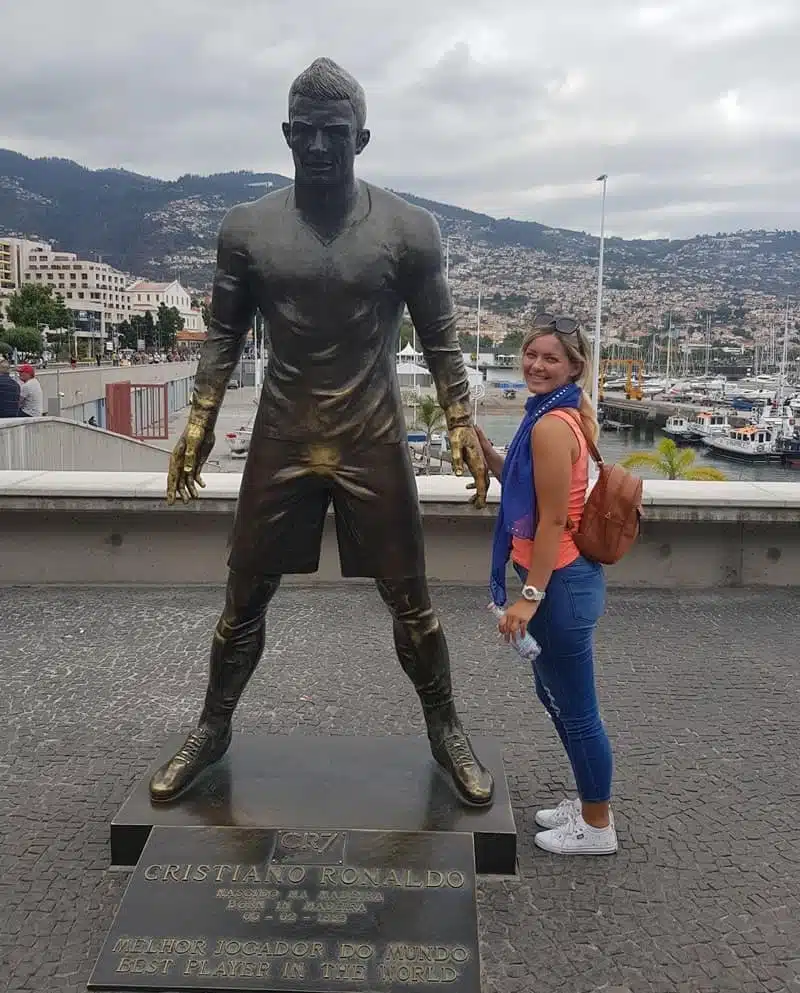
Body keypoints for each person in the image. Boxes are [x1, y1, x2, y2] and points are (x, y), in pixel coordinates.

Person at [148, 57, 493, 809]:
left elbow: (441, 340)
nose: (317, 147)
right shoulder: (247, 229)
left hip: (372, 435)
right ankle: (213, 724)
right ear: (285, 133)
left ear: (361, 138)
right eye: (304, 132)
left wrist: (462, 419)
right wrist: (200, 419)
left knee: (412, 600)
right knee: (243, 597)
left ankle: (445, 726)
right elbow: (222, 336)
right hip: (281, 433)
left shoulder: (410, 230)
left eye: (333, 134)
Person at [477, 313, 617, 855]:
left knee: (577, 708)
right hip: (557, 579)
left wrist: (528, 600)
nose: (536, 365)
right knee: (554, 694)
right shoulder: (549, 415)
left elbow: (554, 519)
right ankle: (587, 801)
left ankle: (598, 826)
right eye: (531, 355)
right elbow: (525, 490)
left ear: (573, 367)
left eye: (550, 358)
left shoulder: (553, 426)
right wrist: (487, 452)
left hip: (557, 584)